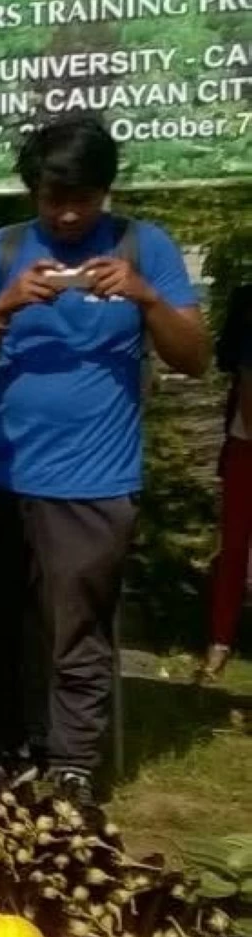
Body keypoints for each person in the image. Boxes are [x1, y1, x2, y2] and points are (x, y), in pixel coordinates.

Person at [0, 114, 210, 801]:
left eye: (84, 200)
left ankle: (71, 761)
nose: (68, 215)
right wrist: (4, 306)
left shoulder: (142, 246)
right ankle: (5, 741)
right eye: (52, 199)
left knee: (76, 628)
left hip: (93, 481)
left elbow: (193, 357)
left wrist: (146, 295)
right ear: (31, 191)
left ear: (106, 191)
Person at [199, 284, 252, 682]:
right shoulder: (247, 299)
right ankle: (220, 638)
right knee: (233, 545)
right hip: (244, 441)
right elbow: (232, 363)